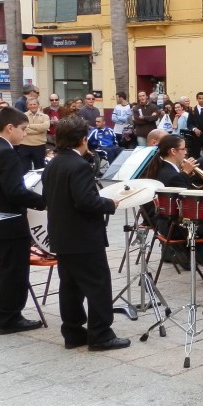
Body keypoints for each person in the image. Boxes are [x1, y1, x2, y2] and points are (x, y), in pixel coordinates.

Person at [41, 116, 129, 351]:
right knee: (98, 284)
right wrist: (109, 203)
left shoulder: (54, 164)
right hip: (83, 237)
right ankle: (101, 334)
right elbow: (85, 201)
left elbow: (49, 198)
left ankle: (72, 332)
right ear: (82, 139)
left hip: (62, 235)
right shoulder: (78, 165)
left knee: (70, 286)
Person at [0, 108, 46, 334]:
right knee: (12, 271)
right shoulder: (6, 152)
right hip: (8, 222)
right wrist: (44, 202)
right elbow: (15, 192)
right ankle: (9, 318)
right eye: (23, 129)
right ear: (10, 128)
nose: (25, 134)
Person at [20, 98, 50, 172]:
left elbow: (45, 127)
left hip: (39, 145)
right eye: (30, 104)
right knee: (25, 169)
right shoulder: (22, 116)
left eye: (34, 104)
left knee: (40, 169)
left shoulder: (45, 116)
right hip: (25, 145)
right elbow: (22, 129)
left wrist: (29, 125)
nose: (33, 106)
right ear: (27, 106)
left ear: (38, 105)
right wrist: (39, 130)